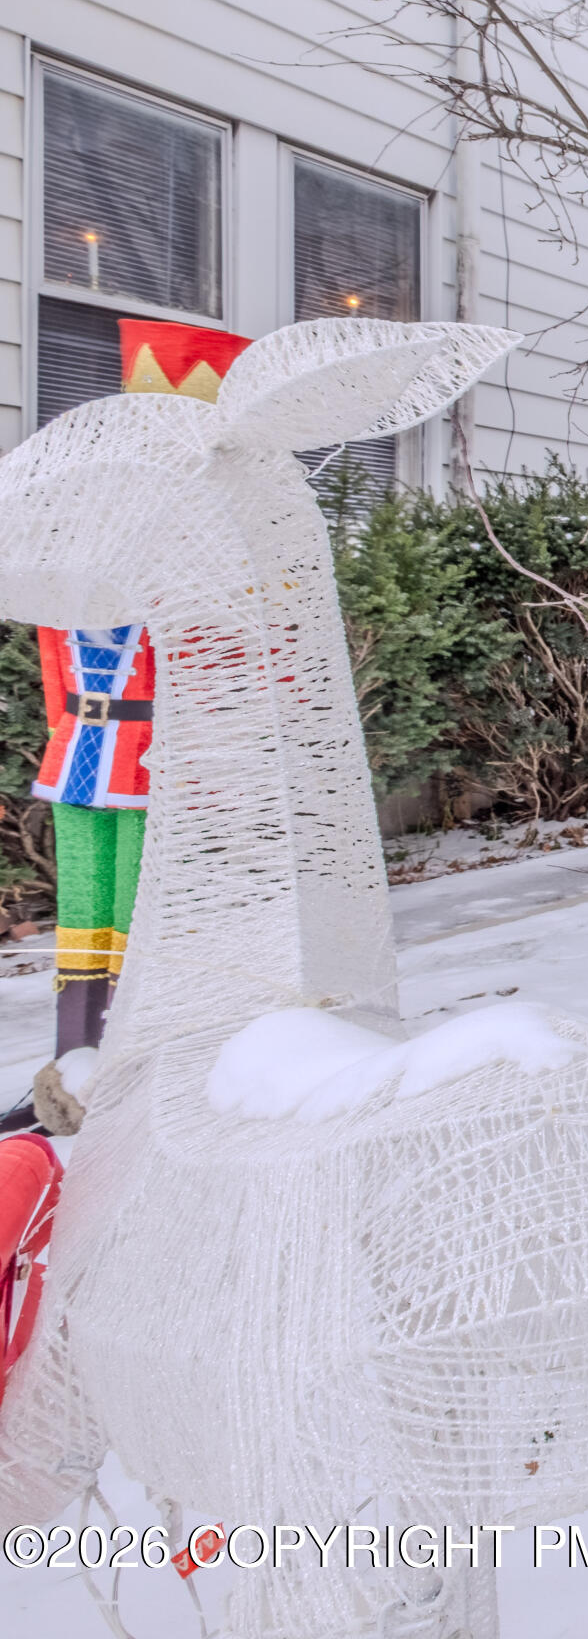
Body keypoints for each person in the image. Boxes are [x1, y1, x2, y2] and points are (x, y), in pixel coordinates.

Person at [7, 320, 254, 1136]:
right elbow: (53, 657)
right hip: (83, 755)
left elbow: (235, 667)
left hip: (163, 765)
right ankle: (78, 1062)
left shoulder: (219, 551)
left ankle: (150, 1064)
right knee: (85, 910)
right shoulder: (72, 544)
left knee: (151, 914)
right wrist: (63, 733)